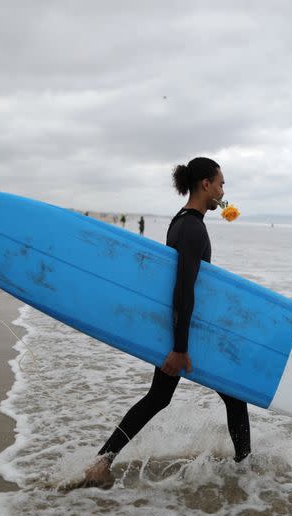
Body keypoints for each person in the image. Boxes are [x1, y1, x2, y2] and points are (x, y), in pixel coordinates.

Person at [79, 157, 250, 489]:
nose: (223, 191)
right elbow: (183, 288)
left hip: (180, 328)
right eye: (221, 184)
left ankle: (102, 462)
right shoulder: (193, 228)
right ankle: (246, 472)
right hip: (184, 333)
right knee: (229, 396)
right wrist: (180, 348)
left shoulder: (181, 221)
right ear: (206, 185)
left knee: (161, 397)